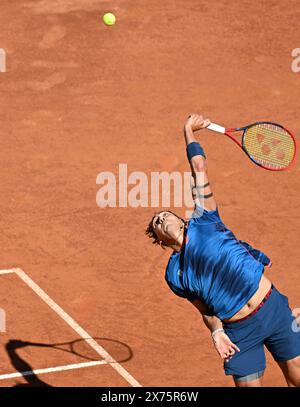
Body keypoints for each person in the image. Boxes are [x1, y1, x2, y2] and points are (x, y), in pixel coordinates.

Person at [145, 114, 300, 387]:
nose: (161, 219)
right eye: (157, 222)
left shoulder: (205, 218)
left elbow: (199, 167)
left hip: (273, 309)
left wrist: (188, 131)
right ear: (159, 240)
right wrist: (217, 332)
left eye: (165, 214)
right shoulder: (175, 274)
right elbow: (205, 310)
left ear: (180, 219)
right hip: (240, 331)